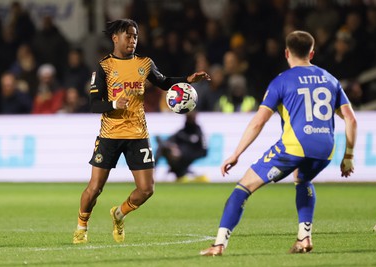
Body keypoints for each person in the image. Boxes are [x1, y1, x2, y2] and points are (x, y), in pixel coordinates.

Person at [200, 31, 357, 256]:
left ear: (286, 53)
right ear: (312, 53)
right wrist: (348, 157)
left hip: (295, 146)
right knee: (302, 179)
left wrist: (236, 153)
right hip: (326, 149)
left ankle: (218, 245)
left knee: (242, 188)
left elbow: (259, 122)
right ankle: (304, 237)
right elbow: (351, 119)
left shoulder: (281, 81)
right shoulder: (330, 79)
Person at [72, 19, 210, 244]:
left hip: (138, 135)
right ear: (115, 38)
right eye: (128, 36)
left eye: (135, 36)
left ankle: (119, 214)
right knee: (95, 188)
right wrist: (115, 104)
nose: (133, 40)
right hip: (110, 135)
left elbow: (163, 82)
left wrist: (187, 80)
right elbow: (93, 103)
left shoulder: (144, 63)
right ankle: (81, 226)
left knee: (146, 189)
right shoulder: (104, 66)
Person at [155, 111, 208, 183]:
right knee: (162, 147)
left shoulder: (197, 131)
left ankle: (182, 172)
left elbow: (204, 151)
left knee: (173, 150)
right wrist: (173, 147)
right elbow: (169, 140)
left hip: (189, 155)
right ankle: (152, 173)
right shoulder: (181, 132)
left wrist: (181, 153)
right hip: (177, 157)